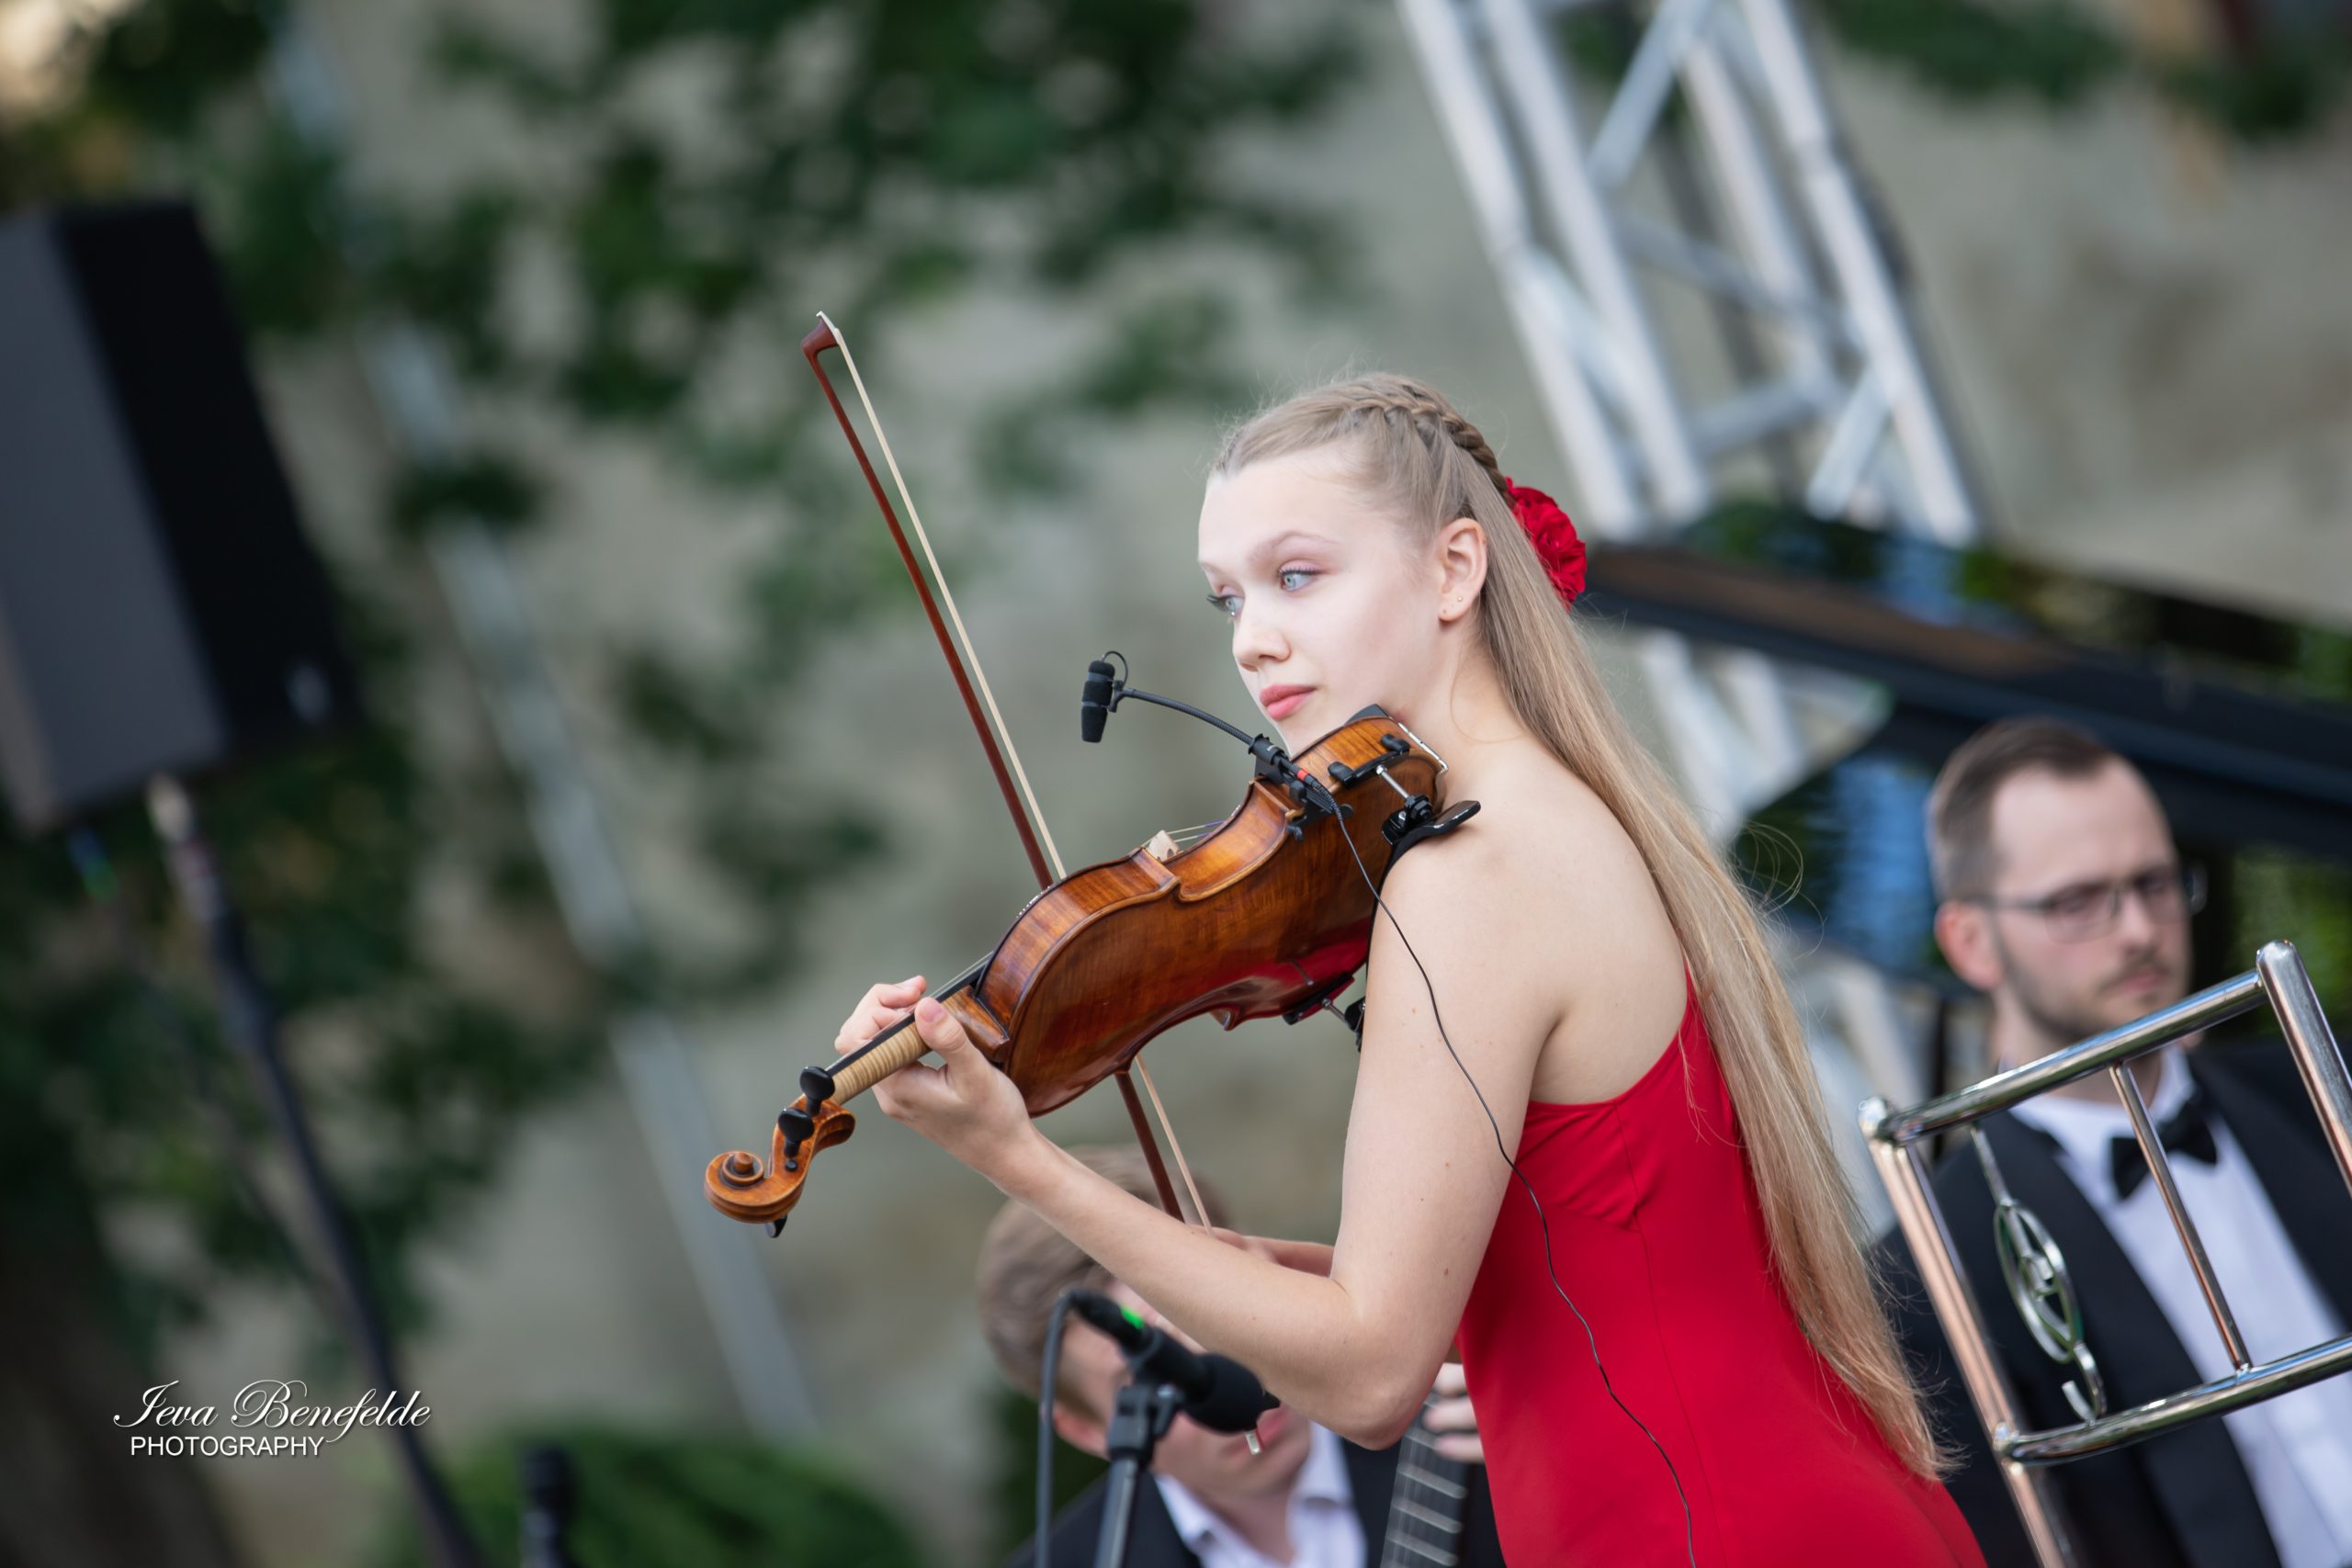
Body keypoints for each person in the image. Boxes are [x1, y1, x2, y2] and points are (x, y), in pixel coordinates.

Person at [832, 375, 1983, 1562]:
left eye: (1296, 575)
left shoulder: (1466, 875)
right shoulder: (1558, 815)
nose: (1250, 638)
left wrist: (1016, 1158)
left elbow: (1373, 1374)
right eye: (1228, 596)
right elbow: (1581, 1249)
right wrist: (1255, 1273)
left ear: (1455, 569)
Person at [1879, 716, 2352, 1568]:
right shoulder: (1931, 1276)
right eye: (2077, 901)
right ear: (1971, 942)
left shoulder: (2323, 1084)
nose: (2138, 929)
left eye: (2155, 883)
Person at [978, 1146, 1505, 1568]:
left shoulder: (1476, 1418)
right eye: (1161, 1371)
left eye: (1219, 1322)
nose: (1234, 1377)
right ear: (1084, 1430)